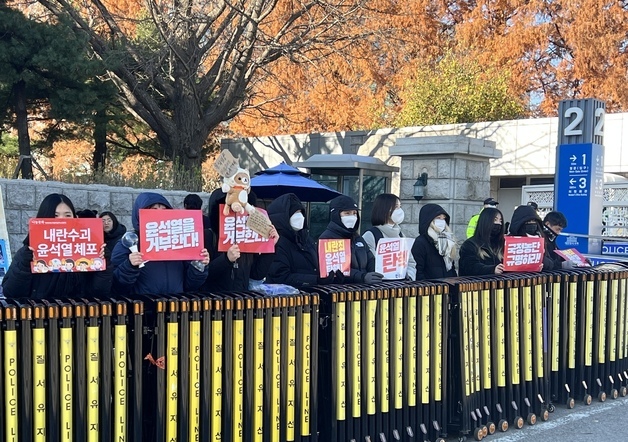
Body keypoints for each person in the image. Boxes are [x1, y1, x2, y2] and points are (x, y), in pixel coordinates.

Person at [2, 193, 111, 299]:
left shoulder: (88, 249)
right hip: (40, 315)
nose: (62, 219)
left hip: (78, 314)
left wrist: (104, 263)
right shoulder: (28, 252)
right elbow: (11, 292)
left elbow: (100, 292)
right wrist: (24, 265)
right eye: (55, 215)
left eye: (68, 215)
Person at [111, 192, 210, 295]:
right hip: (142, 307)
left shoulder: (180, 241)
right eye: (154, 209)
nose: (160, 213)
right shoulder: (129, 242)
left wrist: (198, 265)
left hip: (174, 306)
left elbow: (191, 285)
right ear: (139, 213)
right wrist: (129, 266)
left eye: (164, 209)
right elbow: (116, 286)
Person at [202, 188, 278, 292]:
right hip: (215, 302)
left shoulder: (248, 236)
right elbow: (202, 275)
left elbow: (256, 274)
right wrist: (226, 259)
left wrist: (271, 246)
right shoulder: (209, 236)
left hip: (242, 301)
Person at [266, 193, 339, 287]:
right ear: (284, 217)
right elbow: (280, 277)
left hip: (312, 296)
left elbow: (317, 267)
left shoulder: (306, 239)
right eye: (295, 213)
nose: (300, 216)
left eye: (301, 212)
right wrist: (315, 280)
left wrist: (332, 277)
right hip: (289, 299)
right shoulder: (277, 242)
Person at [318, 195, 382, 284]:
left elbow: (371, 259)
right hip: (342, 291)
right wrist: (362, 277)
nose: (352, 217)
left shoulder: (357, 237)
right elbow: (337, 268)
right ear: (336, 215)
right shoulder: (327, 238)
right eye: (347, 213)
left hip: (363, 289)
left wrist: (379, 274)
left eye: (354, 213)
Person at [362, 193, 417, 280]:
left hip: (401, 287)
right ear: (384, 209)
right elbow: (369, 264)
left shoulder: (400, 234)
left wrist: (409, 276)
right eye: (396, 207)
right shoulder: (371, 235)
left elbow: (410, 262)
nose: (399, 210)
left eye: (400, 206)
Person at [412, 203, 458, 280]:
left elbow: (451, 269)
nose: (442, 221)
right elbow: (418, 271)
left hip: (448, 288)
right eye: (438, 218)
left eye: (443, 218)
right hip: (430, 289)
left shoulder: (448, 240)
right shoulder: (421, 242)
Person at [508, 204, 556, 271]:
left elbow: (551, 264)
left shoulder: (541, 239)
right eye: (528, 221)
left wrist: (541, 259)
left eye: (533, 221)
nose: (531, 223)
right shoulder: (508, 242)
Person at [459, 207, 506, 276]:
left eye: (500, 221)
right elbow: (470, 267)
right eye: (495, 220)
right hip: (476, 284)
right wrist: (492, 269)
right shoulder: (470, 244)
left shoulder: (501, 244)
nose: (499, 223)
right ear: (486, 221)